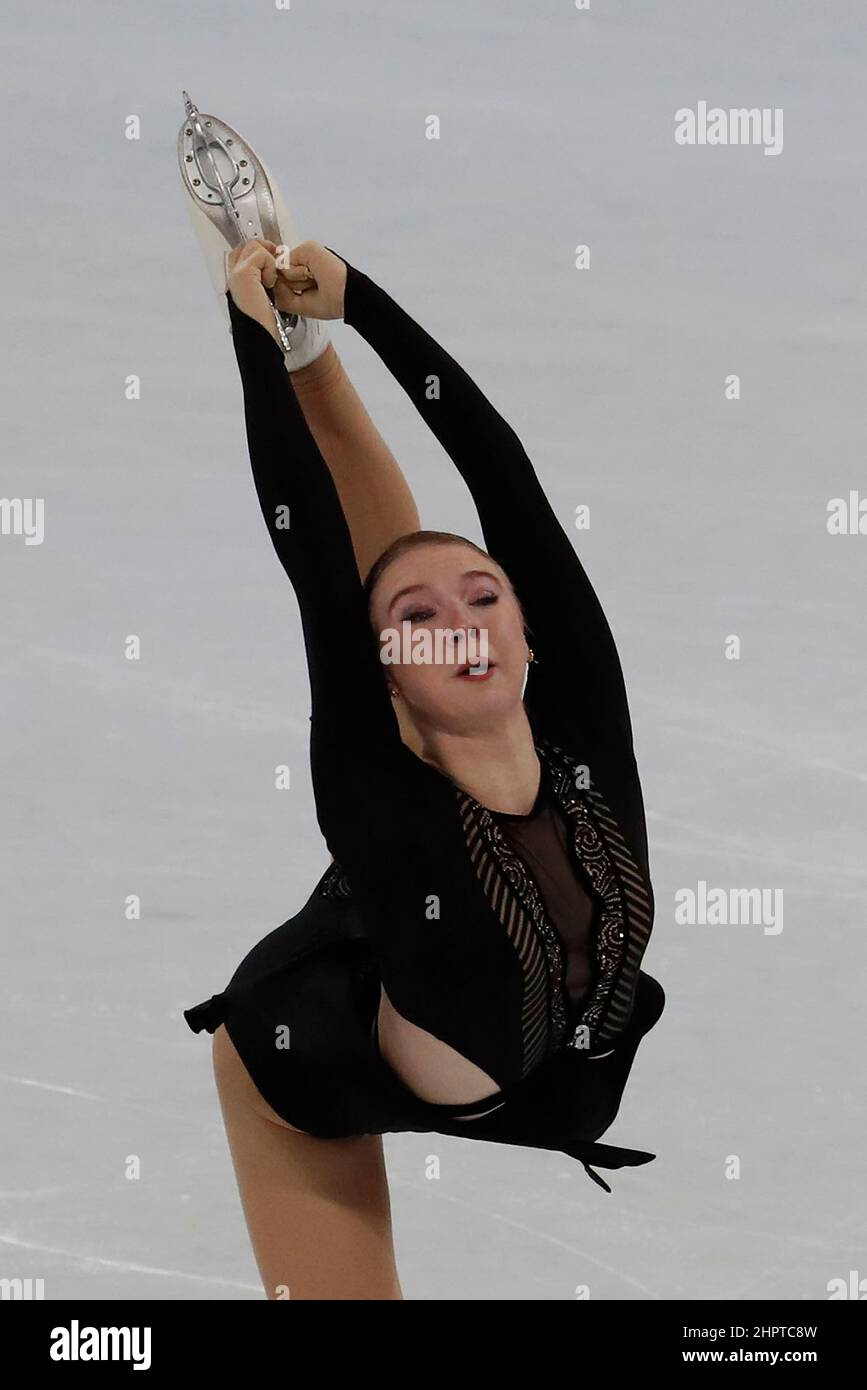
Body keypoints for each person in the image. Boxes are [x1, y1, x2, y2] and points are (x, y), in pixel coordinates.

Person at [183, 235, 666, 1301]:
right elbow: (312, 545)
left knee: (411, 564)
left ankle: (323, 360)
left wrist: (364, 307)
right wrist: (252, 342)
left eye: (486, 600)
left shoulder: (583, 726)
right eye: (422, 623)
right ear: (386, 680)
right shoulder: (379, 782)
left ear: (528, 635)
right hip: (305, 1057)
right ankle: (311, 369)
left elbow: (506, 476)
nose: (463, 624)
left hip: (514, 1040)